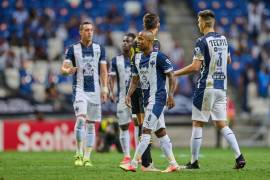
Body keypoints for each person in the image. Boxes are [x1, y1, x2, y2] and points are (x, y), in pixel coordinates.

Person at [174, 10, 246, 169]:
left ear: (204, 23)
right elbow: (228, 60)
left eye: (199, 21)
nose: (198, 24)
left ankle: (193, 162)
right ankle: (239, 156)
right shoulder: (224, 39)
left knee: (197, 123)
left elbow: (195, 67)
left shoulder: (201, 41)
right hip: (221, 88)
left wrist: (175, 73)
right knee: (222, 123)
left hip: (206, 87)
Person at [120, 30, 179, 173]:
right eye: (138, 39)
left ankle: (133, 164)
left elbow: (172, 76)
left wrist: (170, 95)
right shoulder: (137, 58)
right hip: (148, 101)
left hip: (158, 99)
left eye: (141, 39)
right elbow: (135, 80)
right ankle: (173, 164)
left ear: (150, 42)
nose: (138, 41)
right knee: (160, 132)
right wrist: (128, 95)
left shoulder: (159, 57)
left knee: (145, 130)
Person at [61, 21, 108, 167]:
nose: (90, 32)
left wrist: (105, 88)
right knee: (81, 119)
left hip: (94, 90)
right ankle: (78, 153)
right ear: (80, 32)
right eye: (87, 30)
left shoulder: (99, 49)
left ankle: (87, 157)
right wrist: (67, 71)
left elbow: (103, 70)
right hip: (79, 89)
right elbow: (64, 67)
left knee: (91, 124)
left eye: (91, 30)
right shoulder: (73, 49)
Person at [129, 13, 161, 171]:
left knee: (141, 126)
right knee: (146, 127)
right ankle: (146, 164)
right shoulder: (153, 42)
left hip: (135, 84)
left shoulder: (137, 39)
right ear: (158, 25)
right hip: (146, 88)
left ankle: (144, 161)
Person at [109, 33, 136, 164]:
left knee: (138, 126)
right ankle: (126, 156)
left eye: (128, 41)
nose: (124, 43)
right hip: (122, 98)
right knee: (123, 127)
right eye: (124, 41)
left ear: (133, 44)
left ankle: (139, 155)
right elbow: (112, 77)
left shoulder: (138, 58)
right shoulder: (115, 60)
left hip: (136, 99)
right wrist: (110, 91)